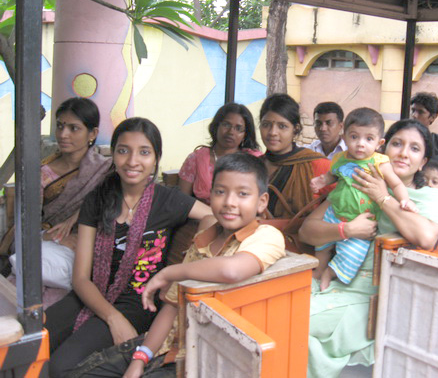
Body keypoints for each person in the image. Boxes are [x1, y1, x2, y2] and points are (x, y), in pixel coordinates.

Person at [68, 153, 286, 378]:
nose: (230, 202)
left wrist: (170, 272)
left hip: (209, 357)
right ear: (210, 196)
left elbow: (232, 270)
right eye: (220, 192)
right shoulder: (203, 241)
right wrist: (140, 359)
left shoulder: (266, 236)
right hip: (167, 346)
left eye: (243, 194)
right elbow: (172, 307)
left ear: (262, 202)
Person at [45, 117, 213, 378]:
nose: (133, 161)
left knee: (60, 367)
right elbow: (81, 278)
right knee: (33, 340)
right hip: (93, 293)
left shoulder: (168, 200)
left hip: (139, 303)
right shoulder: (98, 199)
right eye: (124, 150)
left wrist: (190, 259)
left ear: (156, 158)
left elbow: (212, 217)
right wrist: (113, 318)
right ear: (113, 155)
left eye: (144, 152)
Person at [299, 119, 438, 377]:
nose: (403, 153)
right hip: (332, 281)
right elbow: (307, 231)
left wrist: (383, 197)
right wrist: (346, 230)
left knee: (292, 322)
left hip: (372, 297)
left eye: (414, 148)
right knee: (274, 309)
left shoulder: (430, 197)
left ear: (423, 162)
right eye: (397, 144)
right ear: (383, 149)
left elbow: (425, 236)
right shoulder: (360, 182)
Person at [2, 97, 111, 292]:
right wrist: (53, 238)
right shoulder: (41, 173)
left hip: (88, 249)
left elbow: (116, 199)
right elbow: (26, 227)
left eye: (73, 128)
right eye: (60, 126)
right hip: (45, 243)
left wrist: (76, 217)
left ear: (92, 133)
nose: (63, 134)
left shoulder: (105, 170)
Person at [310, 108, 417, 290]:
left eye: (368, 139)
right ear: (344, 138)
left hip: (362, 220)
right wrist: (322, 181)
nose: (360, 144)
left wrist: (405, 200)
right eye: (354, 137)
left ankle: (330, 272)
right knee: (321, 245)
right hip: (334, 212)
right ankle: (319, 270)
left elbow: (397, 184)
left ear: (379, 143)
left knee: (352, 254)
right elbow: (333, 175)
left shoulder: (380, 163)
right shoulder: (340, 158)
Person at [260, 93, 331, 218]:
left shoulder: (318, 165)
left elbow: (345, 204)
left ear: (296, 129)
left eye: (282, 126)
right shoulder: (253, 166)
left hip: (303, 230)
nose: (273, 132)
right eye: (266, 124)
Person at [178, 102, 262, 205]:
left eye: (238, 128)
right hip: (202, 213)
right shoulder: (195, 159)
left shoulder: (253, 160)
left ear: (245, 134)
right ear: (216, 126)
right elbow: (182, 202)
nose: (231, 132)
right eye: (226, 125)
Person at [410, 92, 438, 164]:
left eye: (420, 112)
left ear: (432, 117)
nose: (414, 115)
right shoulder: (401, 139)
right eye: (413, 110)